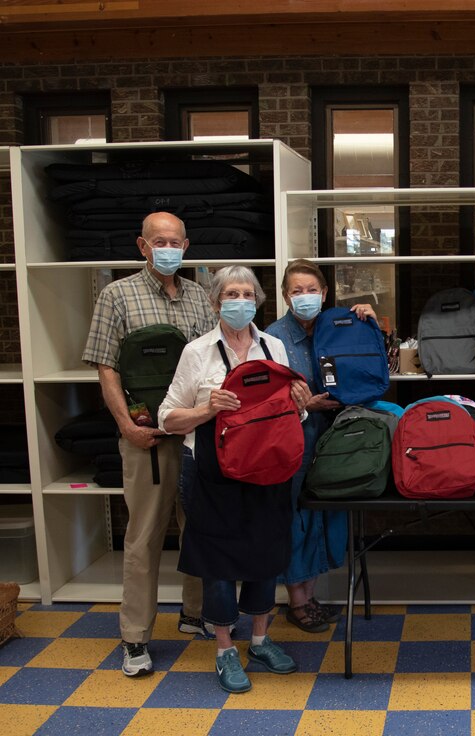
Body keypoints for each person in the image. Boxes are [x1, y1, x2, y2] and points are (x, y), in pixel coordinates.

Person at [158, 265, 312, 694]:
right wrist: (208, 408)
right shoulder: (197, 352)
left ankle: (260, 640)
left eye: (247, 293)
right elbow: (167, 418)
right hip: (212, 474)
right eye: (231, 293)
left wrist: (300, 403)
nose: (240, 301)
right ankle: (225, 649)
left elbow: (287, 414)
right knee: (219, 565)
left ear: (258, 301)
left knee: (266, 555)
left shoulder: (274, 347)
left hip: (268, 469)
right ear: (215, 301)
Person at [82, 212, 219, 677]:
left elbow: (211, 362)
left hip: (194, 433)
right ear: (142, 246)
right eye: (159, 241)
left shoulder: (200, 296)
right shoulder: (117, 295)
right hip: (146, 438)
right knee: (142, 538)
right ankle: (135, 637)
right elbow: (106, 367)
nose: (168, 248)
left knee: (200, 527)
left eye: (176, 241)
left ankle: (194, 614)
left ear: (187, 245)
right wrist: (126, 426)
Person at [264, 258, 377, 632]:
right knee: (297, 517)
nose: (305, 297)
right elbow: (263, 399)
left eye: (312, 290)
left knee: (324, 516)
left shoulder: (341, 327)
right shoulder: (272, 338)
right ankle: (297, 602)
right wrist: (304, 404)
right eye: (297, 291)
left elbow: (371, 368)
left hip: (336, 438)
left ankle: (309, 598)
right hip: (295, 440)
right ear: (285, 295)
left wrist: (370, 323)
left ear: (325, 293)